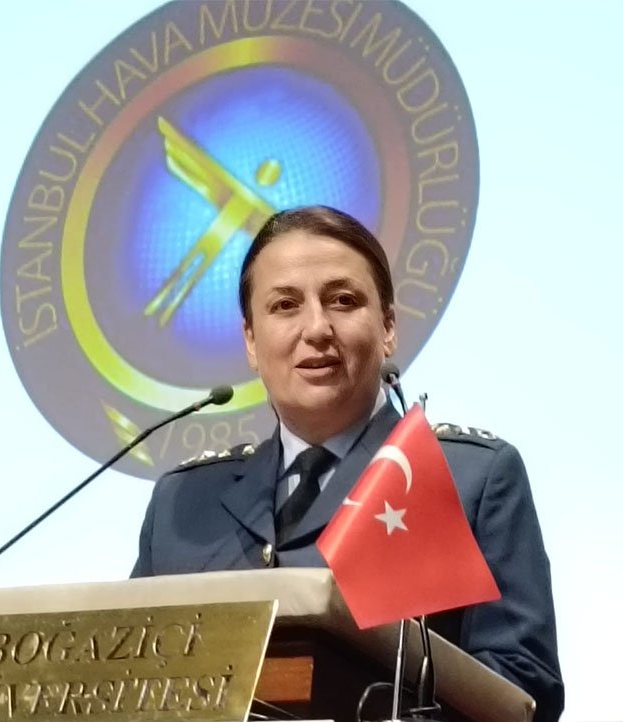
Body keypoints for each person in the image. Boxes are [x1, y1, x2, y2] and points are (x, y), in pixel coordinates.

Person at [132, 205, 564, 722]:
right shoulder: (183, 503)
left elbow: (524, 687)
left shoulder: (468, 477)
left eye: (342, 300)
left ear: (387, 326)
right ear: (250, 339)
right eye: (285, 305)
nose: (316, 328)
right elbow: (130, 679)